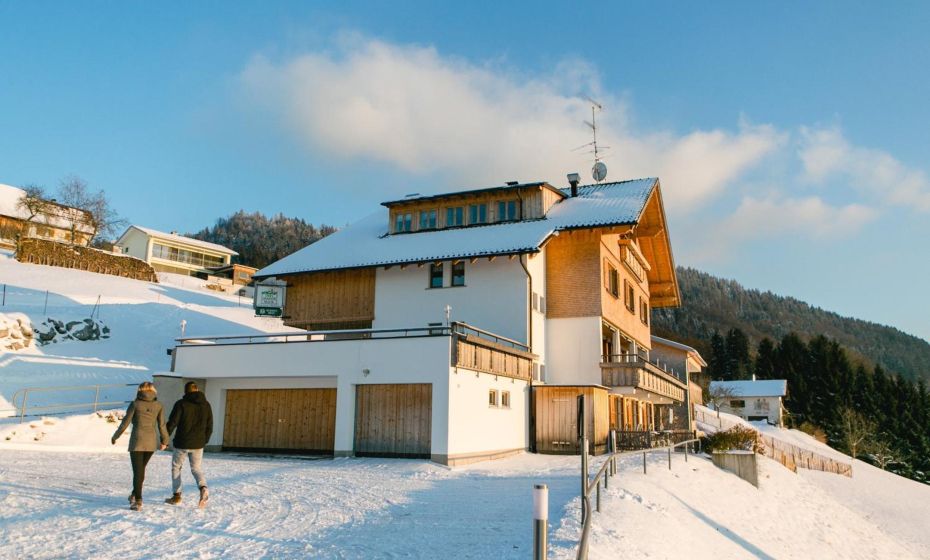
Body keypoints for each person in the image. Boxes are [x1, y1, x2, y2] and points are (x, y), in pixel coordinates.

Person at [112, 381, 169, 511]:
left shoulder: (135, 404)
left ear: (139, 390)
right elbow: (162, 425)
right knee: (141, 470)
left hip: (137, 442)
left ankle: (138, 501)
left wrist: (115, 436)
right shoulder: (158, 405)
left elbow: (125, 423)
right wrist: (165, 441)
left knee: (138, 472)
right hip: (151, 442)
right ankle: (134, 494)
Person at [164, 381, 213, 508]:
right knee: (196, 469)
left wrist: (164, 438)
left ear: (185, 391)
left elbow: (172, 422)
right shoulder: (206, 404)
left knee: (176, 467)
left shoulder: (181, 404)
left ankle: (177, 496)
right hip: (198, 444)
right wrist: (204, 440)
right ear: (197, 390)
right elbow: (210, 425)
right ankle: (203, 487)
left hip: (182, 442)